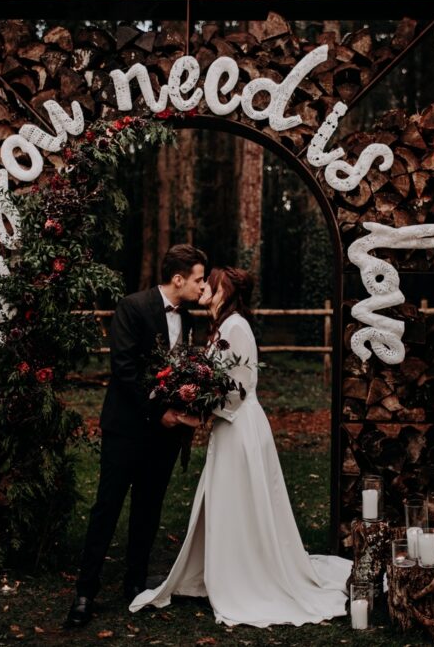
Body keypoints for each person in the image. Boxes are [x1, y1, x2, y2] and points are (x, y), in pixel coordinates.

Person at [128, 267, 352, 627]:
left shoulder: (236, 327)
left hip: (240, 426)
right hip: (229, 426)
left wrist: (196, 414)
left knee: (237, 498)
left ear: (224, 290)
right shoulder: (222, 326)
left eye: (209, 284)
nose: (204, 288)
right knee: (223, 498)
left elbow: (239, 389)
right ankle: (221, 568)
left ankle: (243, 575)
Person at [64, 245, 207, 629]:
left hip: (164, 436)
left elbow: (185, 371)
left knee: (148, 510)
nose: (202, 285)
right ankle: (84, 591)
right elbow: (123, 369)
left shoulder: (190, 318)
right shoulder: (133, 307)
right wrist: (157, 411)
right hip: (127, 429)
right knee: (106, 508)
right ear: (178, 279)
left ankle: (134, 584)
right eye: (198, 279)